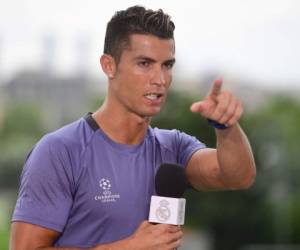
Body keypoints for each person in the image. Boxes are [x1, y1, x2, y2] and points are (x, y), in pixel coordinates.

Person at [10, 5, 256, 250]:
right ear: (109, 65)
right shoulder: (60, 151)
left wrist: (226, 129)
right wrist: (127, 247)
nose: (159, 79)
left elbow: (238, 177)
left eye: (167, 65)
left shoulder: (174, 147)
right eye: (145, 63)